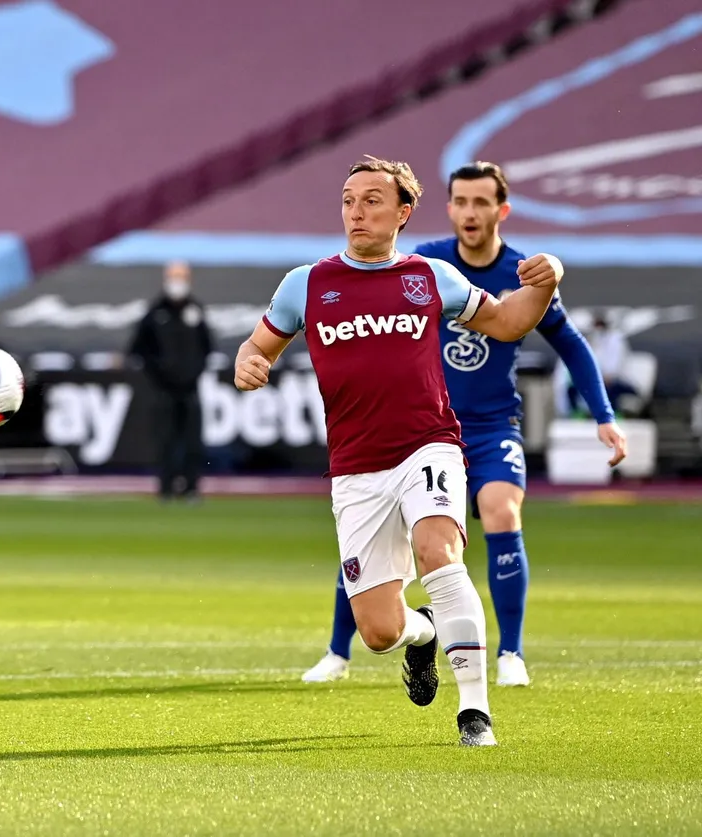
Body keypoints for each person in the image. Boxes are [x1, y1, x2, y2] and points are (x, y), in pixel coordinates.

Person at [235, 156, 565, 746]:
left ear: (403, 212)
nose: (355, 212)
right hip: (356, 469)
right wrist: (249, 364)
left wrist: (545, 285)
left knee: (440, 553)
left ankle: (474, 713)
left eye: (371, 201)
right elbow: (256, 347)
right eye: (347, 200)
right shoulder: (305, 283)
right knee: (380, 632)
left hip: (428, 446)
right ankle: (425, 636)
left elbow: (510, 321)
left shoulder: (430, 277)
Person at [303, 162, 627, 689]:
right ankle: (339, 650)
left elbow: (566, 340)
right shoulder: (421, 263)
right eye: (460, 201)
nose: (469, 212)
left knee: (500, 511)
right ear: (448, 208)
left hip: (491, 425)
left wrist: (604, 416)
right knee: (371, 532)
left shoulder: (523, 273)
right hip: (415, 430)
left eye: (481, 203)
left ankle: (511, 653)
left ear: (501, 211)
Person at [129, 261, 213, 501]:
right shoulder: (155, 313)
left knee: (192, 441)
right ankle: (166, 488)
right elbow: (139, 350)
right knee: (165, 440)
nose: (178, 283)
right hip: (162, 389)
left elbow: (207, 347)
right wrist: (158, 374)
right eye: (174, 277)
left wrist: (195, 372)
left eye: (182, 277)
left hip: (191, 388)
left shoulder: (196, 312)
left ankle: (191, 488)